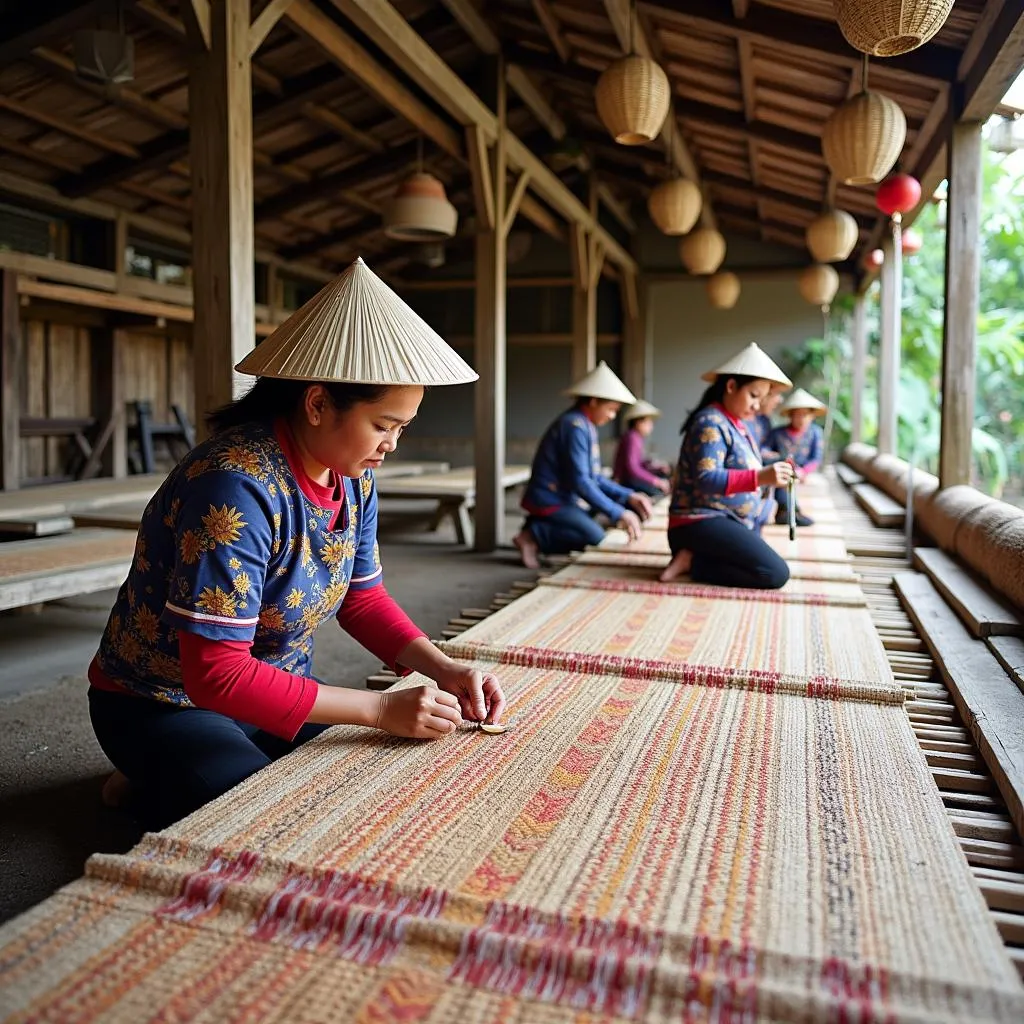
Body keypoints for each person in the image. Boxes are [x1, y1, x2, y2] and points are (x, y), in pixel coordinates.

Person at [88, 258, 505, 830]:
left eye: (401, 429)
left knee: (368, 782)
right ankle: (149, 762)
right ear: (316, 404)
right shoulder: (234, 486)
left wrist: (440, 667)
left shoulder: (353, 476)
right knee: (278, 819)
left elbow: (362, 599)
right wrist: (379, 708)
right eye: (384, 425)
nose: (391, 445)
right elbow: (215, 675)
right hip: (163, 700)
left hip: (272, 691)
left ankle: (164, 775)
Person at [660, 342, 795, 589]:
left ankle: (698, 558)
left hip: (727, 519)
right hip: (698, 522)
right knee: (774, 573)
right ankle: (694, 562)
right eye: (753, 396)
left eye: (762, 399)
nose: (757, 405)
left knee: (761, 564)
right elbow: (706, 479)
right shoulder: (710, 422)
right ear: (731, 386)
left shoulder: (735, 424)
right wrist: (761, 477)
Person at [513, 361, 653, 569]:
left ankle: (537, 527)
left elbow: (593, 477)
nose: (612, 416)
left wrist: (628, 496)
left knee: (597, 521)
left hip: (566, 497)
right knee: (594, 537)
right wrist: (618, 512)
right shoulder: (574, 426)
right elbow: (581, 481)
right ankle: (533, 535)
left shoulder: (585, 425)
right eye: (611, 409)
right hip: (551, 498)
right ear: (594, 401)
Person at [769, 387, 826, 527]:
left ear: (812, 416)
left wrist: (803, 472)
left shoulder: (815, 433)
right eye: (797, 414)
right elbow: (764, 450)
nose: (801, 418)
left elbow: (816, 458)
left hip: (803, 472)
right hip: (783, 469)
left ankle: (789, 512)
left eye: (805, 414)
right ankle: (789, 511)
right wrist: (776, 458)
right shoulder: (777, 433)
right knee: (785, 476)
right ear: (790, 415)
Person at [612, 400, 672, 497]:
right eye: (649, 422)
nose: (651, 426)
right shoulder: (632, 437)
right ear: (638, 422)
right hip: (626, 482)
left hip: (630, 479)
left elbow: (638, 463)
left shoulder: (635, 437)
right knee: (658, 492)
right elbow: (633, 468)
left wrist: (655, 467)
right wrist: (656, 481)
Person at [747, 386, 785, 463]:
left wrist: (765, 452)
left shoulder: (765, 421)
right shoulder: (743, 417)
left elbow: (765, 445)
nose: (780, 400)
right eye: (776, 394)